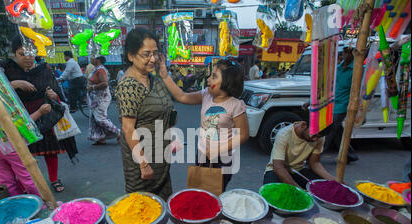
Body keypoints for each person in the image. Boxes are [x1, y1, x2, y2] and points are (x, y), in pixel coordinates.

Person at [159, 58, 250, 192]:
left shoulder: (236, 105)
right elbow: (182, 96)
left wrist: (218, 149)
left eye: (214, 76)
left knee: (215, 194)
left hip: (222, 159)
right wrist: (165, 76)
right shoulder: (206, 95)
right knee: (199, 191)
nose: (208, 79)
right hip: (202, 154)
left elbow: (243, 134)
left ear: (227, 81)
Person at [1, 36, 78, 193]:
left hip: (44, 113)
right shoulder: (7, 69)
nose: (28, 58)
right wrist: (13, 84)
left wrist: (52, 95)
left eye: (30, 53)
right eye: (22, 54)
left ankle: (54, 179)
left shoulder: (43, 69)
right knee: (23, 153)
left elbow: (57, 93)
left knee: (50, 151)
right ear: (14, 54)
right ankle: (25, 183)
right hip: (20, 116)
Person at [115, 28, 175, 201]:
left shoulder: (152, 79)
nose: (153, 59)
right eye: (146, 54)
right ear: (131, 56)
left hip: (160, 157)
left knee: (162, 207)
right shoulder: (129, 85)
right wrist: (144, 164)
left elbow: (175, 100)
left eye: (155, 53)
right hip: (142, 163)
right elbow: (128, 129)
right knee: (143, 208)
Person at [262, 120, 337, 189]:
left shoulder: (320, 138)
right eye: (314, 135)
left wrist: (333, 180)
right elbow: (278, 167)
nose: (315, 139)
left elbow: (315, 163)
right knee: (273, 195)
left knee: (323, 188)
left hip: (298, 170)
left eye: (318, 137)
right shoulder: (284, 134)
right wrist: (299, 189)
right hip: (276, 170)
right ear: (303, 125)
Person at [324, 46, 359, 163]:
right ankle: (349, 154)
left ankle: (317, 153)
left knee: (330, 128)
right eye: (344, 53)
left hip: (344, 104)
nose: (346, 56)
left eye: (349, 53)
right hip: (333, 102)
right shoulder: (338, 68)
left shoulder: (357, 69)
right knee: (338, 130)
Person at [87, 56, 121, 145]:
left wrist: (92, 87)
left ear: (98, 60)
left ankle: (119, 133)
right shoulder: (96, 69)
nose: (91, 59)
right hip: (95, 98)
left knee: (100, 118)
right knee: (94, 118)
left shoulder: (100, 70)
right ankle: (100, 138)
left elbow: (105, 83)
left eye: (93, 58)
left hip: (101, 98)